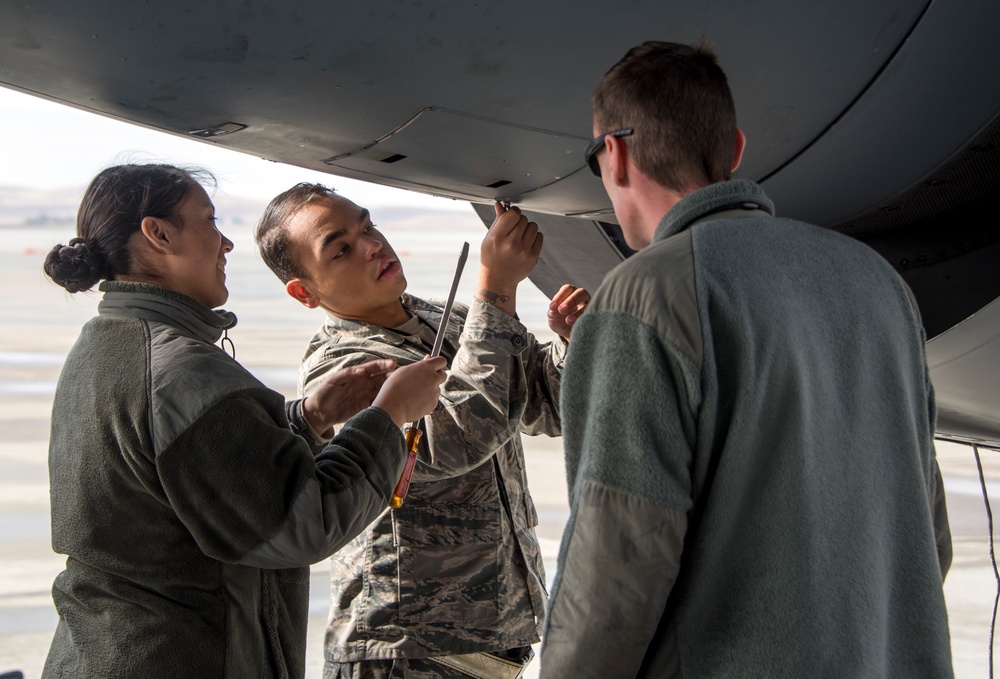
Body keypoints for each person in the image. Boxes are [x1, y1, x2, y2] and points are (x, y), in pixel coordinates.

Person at [540, 41, 954, 678]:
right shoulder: (878, 283)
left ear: (614, 156)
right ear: (733, 151)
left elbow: (614, 577)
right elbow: (930, 542)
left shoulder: (646, 293)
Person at [40, 163, 446, 678]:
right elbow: (301, 523)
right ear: (158, 234)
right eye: (209, 222)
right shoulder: (179, 371)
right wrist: (389, 417)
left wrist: (308, 418)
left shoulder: (105, 345)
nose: (226, 243)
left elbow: (187, 477)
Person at [255, 184, 589, 678]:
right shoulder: (342, 368)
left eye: (367, 226)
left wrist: (567, 343)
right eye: (341, 248)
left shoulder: (448, 319)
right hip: (403, 653)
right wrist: (496, 290)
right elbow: (457, 438)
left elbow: (542, 406)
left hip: (480, 648)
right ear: (305, 291)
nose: (373, 245)